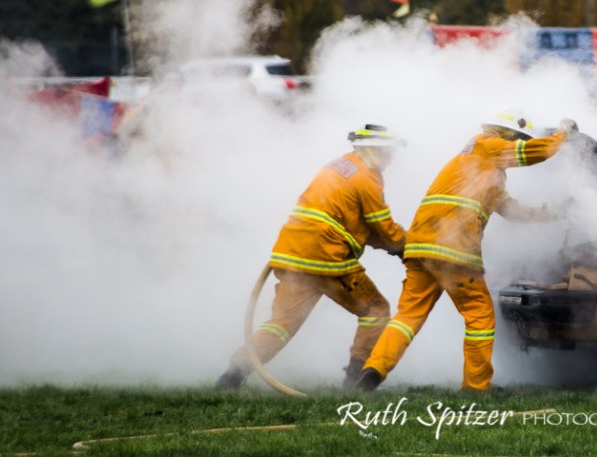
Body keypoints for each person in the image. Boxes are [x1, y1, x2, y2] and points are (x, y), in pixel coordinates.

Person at [356, 108, 577, 393]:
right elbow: (538, 151)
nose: (516, 145)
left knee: (408, 316)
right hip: (454, 248)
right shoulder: (488, 145)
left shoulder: (483, 167)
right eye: (517, 138)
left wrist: (553, 214)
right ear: (507, 133)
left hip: (421, 246)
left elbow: (514, 211)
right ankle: (476, 385)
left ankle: (374, 370)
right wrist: (563, 134)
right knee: (479, 314)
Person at [215, 124, 408, 391]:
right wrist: (409, 247)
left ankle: (232, 375)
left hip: (292, 254)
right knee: (376, 310)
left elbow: (365, 227)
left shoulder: (338, 166)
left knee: (281, 325)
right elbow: (384, 227)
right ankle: (356, 382)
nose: (391, 159)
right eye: (388, 152)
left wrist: (393, 247)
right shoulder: (368, 177)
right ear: (374, 149)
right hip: (326, 256)